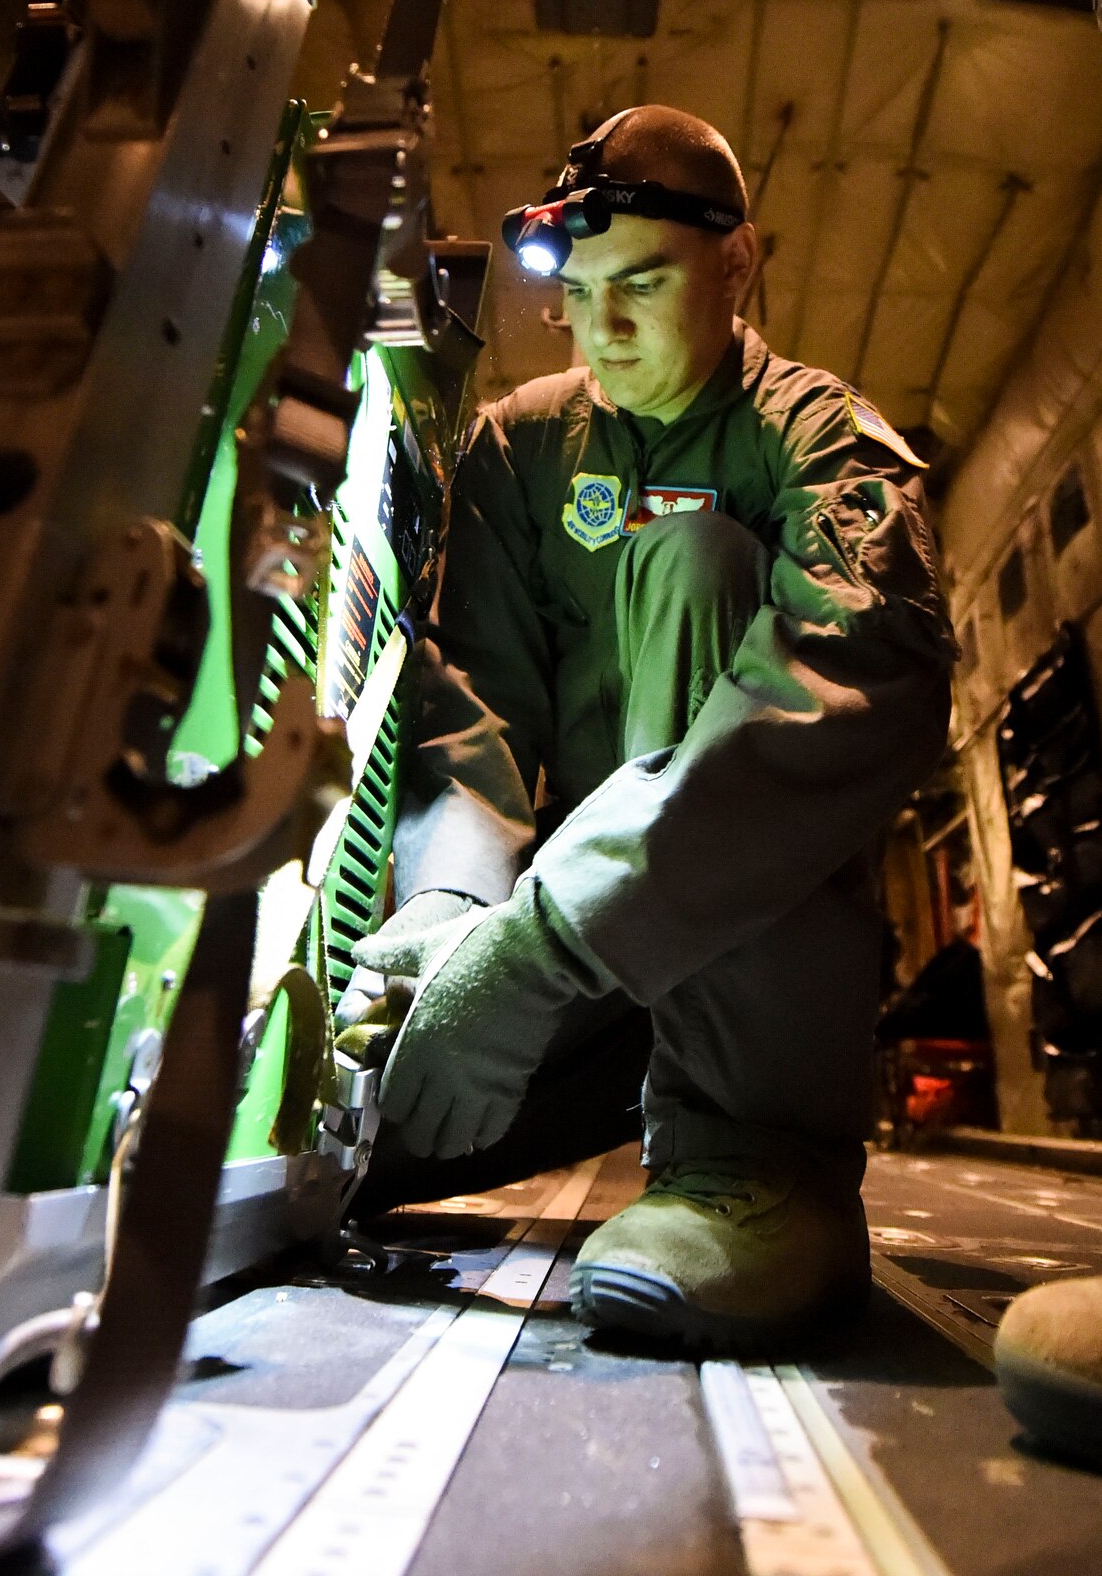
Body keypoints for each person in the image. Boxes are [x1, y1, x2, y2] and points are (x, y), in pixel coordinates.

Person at [343, 104, 957, 1354]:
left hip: (722, 943)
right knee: (340, 1145)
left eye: (641, 284)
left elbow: (844, 677)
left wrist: (540, 944)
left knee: (693, 555)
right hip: (555, 959)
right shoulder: (518, 448)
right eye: (575, 292)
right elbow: (476, 713)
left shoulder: (820, 443)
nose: (599, 326)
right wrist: (457, 920)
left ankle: (757, 1167)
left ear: (737, 263)